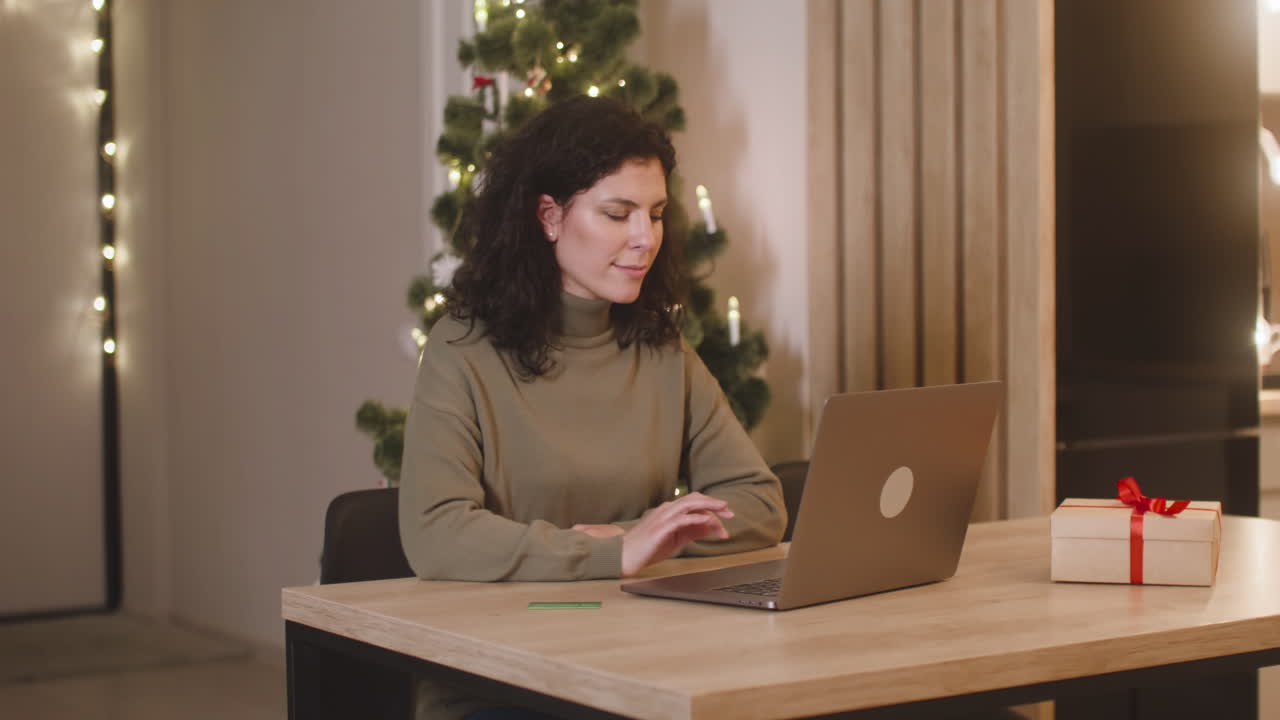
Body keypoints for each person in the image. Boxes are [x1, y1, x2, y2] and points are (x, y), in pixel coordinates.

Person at [398, 95, 786, 719]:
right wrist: (614, 555)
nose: (645, 238)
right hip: (499, 678)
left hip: (644, 664)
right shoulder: (462, 348)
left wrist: (640, 542)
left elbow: (760, 503)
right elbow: (436, 533)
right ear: (549, 217)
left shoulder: (662, 349)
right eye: (618, 213)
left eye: (655, 214)